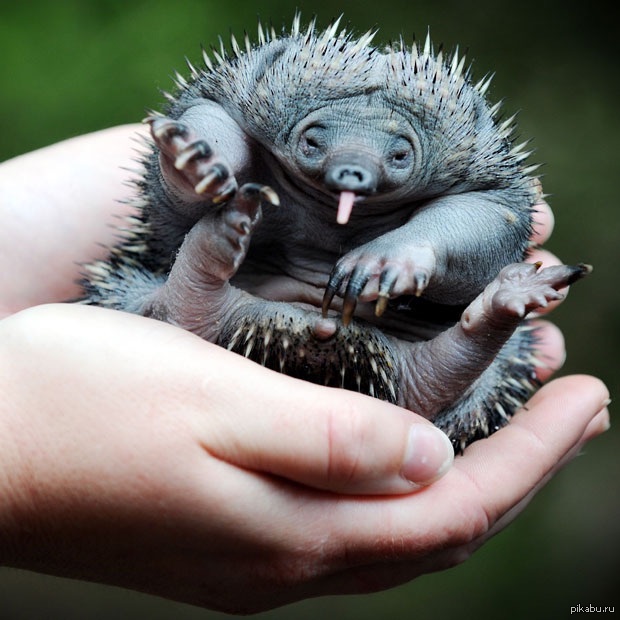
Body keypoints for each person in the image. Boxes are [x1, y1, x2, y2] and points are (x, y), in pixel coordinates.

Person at [0, 126, 610, 614]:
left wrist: (421, 249)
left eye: (397, 151)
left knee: (434, 389)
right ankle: (487, 313)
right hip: (234, 315)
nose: (353, 170)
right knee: (161, 316)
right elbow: (211, 124)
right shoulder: (252, 108)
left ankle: (485, 317)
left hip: (394, 338)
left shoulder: (473, 166)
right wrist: (21, 463)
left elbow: (496, 214)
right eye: (316, 141)